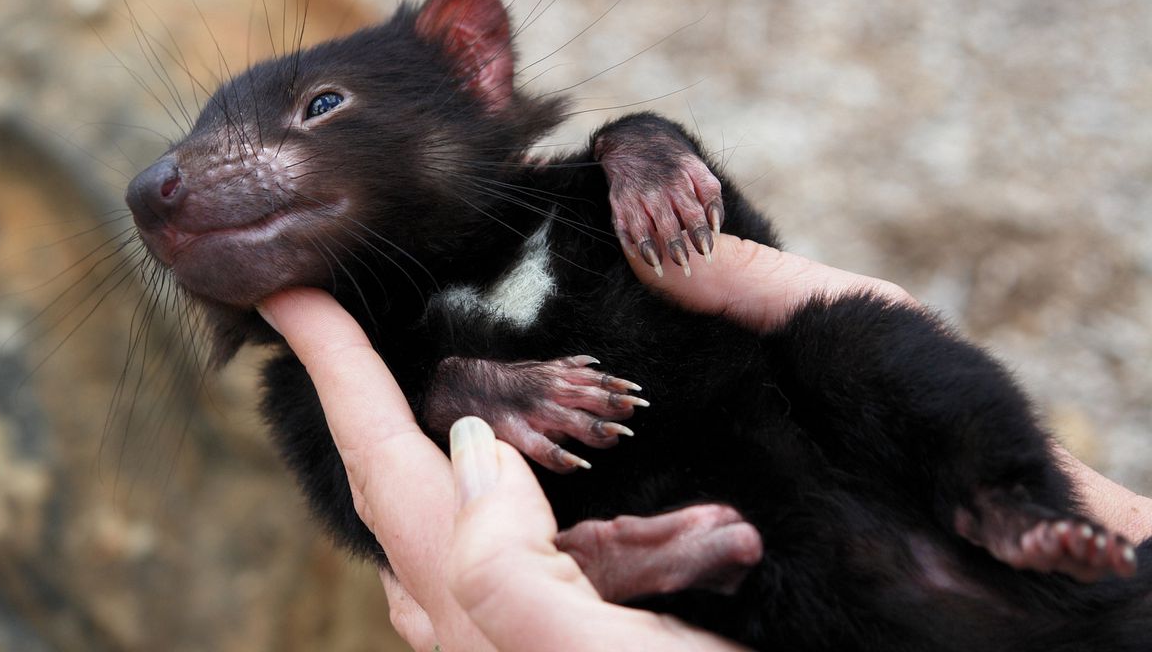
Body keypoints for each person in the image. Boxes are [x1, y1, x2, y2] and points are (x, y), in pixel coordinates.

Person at [258, 232, 1152, 652]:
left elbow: (731, 249)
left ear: (474, 60)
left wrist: (647, 150)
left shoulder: (580, 185)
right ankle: (657, 569)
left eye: (321, 108)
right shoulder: (308, 385)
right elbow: (371, 506)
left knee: (848, 337)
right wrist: (448, 391)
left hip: (892, 471)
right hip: (798, 583)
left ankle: (1002, 499)